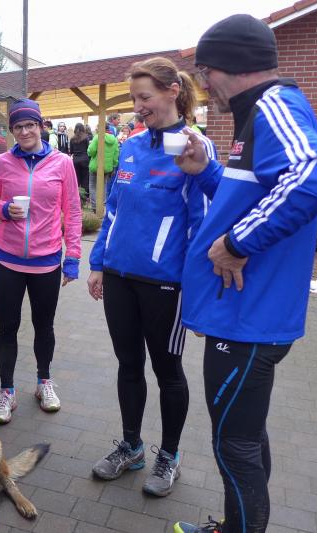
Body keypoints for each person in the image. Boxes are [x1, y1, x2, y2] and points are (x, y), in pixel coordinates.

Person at [172, 15, 317, 533]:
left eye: (205, 71)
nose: (204, 84)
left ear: (232, 64)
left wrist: (237, 243)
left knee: (234, 447)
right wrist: (206, 171)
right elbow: (247, 197)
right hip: (241, 316)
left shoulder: (274, 105)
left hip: (248, 321)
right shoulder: (256, 115)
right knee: (244, 439)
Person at [87, 57, 216, 498]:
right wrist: (99, 262)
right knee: (128, 364)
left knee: (167, 370)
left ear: (172, 92)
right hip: (119, 277)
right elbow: (113, 210)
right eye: (134, 99)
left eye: (145, 97)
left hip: (167, 284)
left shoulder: (196, 147)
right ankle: (132, 446)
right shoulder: (131, 145)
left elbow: (203, 224)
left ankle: (170, 455)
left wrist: (197, 290)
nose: (138, 107)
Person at [0, 98, 82, 424]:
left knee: (44, 326)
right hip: (7, 259)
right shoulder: (1, 163)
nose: (24, 131)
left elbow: (73, 211)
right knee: (7, 327)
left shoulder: (62, 163)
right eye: (18, 126)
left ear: (40, 126)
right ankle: (6, 391)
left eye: (30, 125)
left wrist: (73, 256)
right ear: (12, 130)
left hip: (46, 260)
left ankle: (43, 382)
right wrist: (4, 209)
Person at [87, 123, 119, 210]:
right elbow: (116, 154)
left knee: (93, 186)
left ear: (100, 128)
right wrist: (114, 166)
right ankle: (102, 205)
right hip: (107, 167)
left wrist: (89, 148)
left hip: (95, 166)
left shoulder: (97, 137)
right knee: (103, 186)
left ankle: (95, 206)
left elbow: (91, 152)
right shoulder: (114, 139)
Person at [69, 123, 90, 196]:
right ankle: (86, 195)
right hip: (85, 159)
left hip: (75, 160)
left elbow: (71, 151)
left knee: (76, 178)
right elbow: (88, 149)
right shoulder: (86, 138)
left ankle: (77, 195)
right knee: (85, 178)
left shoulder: (72, 139)